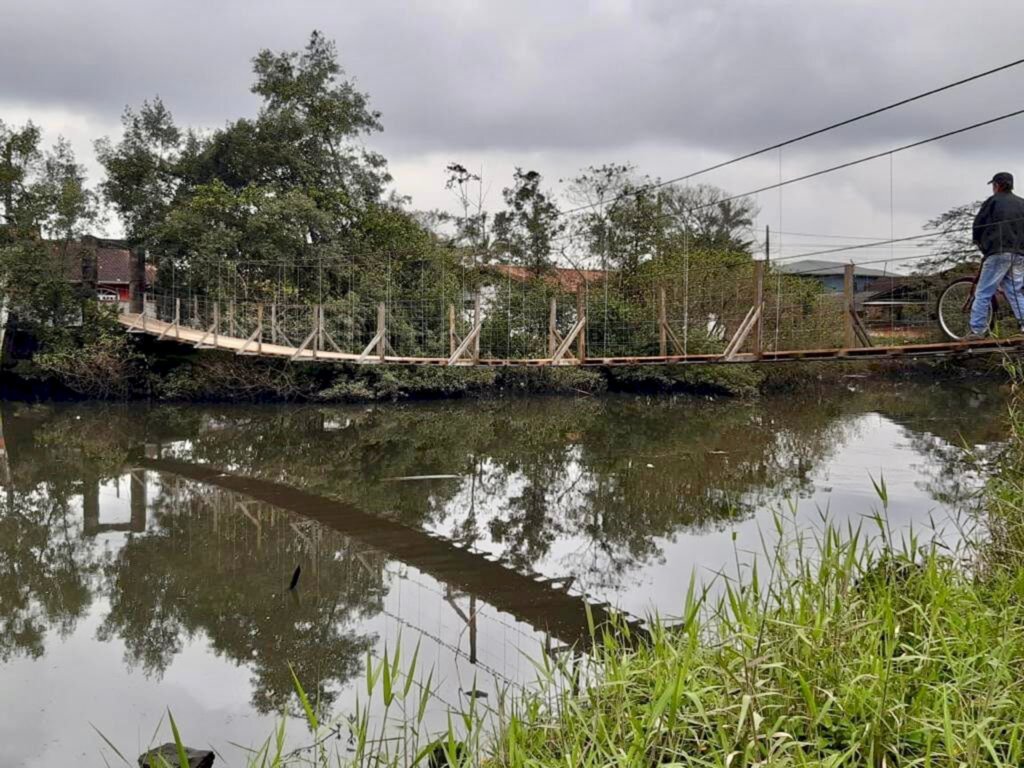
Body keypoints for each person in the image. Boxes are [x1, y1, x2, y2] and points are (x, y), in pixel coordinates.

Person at [967, 171, 1024, 339]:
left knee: (983, 291)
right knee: (1015, 291)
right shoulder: (1022, 204)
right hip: (1019, 254)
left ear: (997, 185)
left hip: (998, 252)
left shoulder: (992, 202)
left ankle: (977, 330)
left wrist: (981, 245)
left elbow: (978, 225)